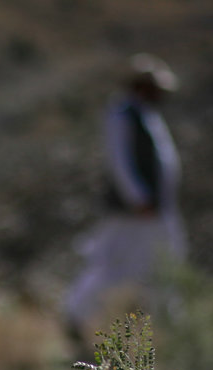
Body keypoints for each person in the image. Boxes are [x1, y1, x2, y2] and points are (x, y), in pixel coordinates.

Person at [64, 53, 186, 338]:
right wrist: (138, 197)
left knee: (166, 264)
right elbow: (119, 160)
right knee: (112, 264)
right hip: (135, 211)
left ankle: (171, 326)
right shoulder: (121, 113)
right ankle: (75, 314)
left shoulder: (146, 115)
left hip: (156, 209)